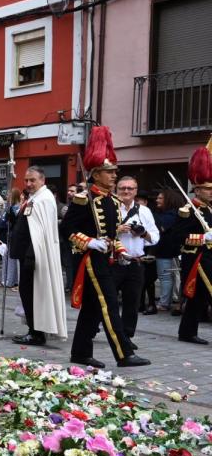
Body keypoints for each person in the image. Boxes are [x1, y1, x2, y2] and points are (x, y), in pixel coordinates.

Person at [63, 126, 150, 368]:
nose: (114, 176)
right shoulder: (83, 199)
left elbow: (112, 236)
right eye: (109, 172)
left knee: (92, 308)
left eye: (114, 172)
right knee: (110, 304)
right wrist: (90, 241)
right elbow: (67, 230)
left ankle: (80, 353)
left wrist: (120, 252)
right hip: (90, 261)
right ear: (96, 173)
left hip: (106, 260)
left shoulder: (112, 200)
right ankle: (124, 354)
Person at [9, 166, 67, 345]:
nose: (28, 184)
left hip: (33, 256)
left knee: (32, 294)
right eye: (26, 180)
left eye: (32, 180)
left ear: (42, 180)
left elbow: (41, 232)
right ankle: (34, 329)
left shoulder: (44, 199)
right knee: (28, 294)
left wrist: (31, 255)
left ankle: (36, 333)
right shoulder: (34, 197)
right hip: (27, 253)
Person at [167, 146, 212, 345]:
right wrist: (203, 238)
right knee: (203, 295)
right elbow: (178, 236)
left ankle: (187, 331)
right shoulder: (188, 210)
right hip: (197, 259)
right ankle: (187, 332)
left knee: (199, 298)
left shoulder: (209, 210)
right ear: (197, 189)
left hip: (210, 257)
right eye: (208, 189)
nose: (211, 192)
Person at [113, 175, 160, 343]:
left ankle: (126, 338)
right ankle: (102, 330)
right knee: (107, 301)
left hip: (135, 262)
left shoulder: (144, 211)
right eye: (122, 188)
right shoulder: (109, 208)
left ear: (135, 191)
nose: (126, 191)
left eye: (130, 188)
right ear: (116, 190)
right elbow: (97, 234)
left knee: (132, 303)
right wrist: (117, 230)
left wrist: (142, 233)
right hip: (113, 262)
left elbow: (155, 237)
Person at [152, 190, 185, 313]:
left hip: (168, 250)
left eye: (160, 198)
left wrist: (149, 214)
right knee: (167, 277)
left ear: (169, 200)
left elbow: (160, 227)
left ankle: (164, 303)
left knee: (165, 277)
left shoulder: (171, 215)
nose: (157, 200)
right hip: (166, 250)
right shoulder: (170, 214)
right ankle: (167, 301)